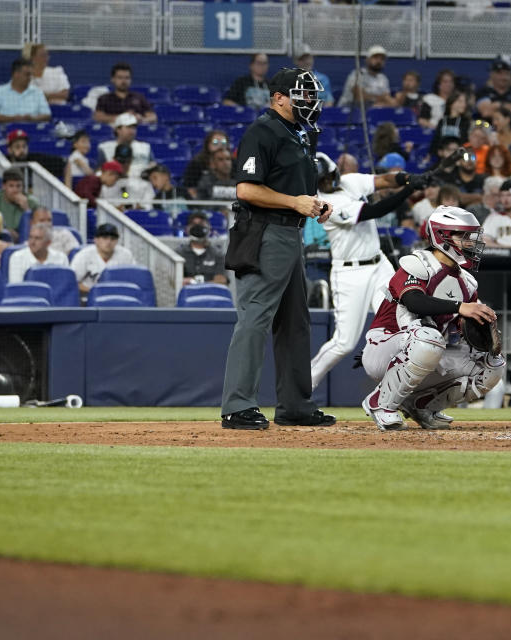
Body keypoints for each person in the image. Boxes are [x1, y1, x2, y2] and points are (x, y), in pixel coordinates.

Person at [220, 67, 335, 430]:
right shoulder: (263, 130)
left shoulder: (297, 134)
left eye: (311, 94)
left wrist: (314, 204)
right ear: (278, 98)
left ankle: (295, 406)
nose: (309, 101)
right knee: (255, 318)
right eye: (300, 94)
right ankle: (237, 405)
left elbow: (294, 193)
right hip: (265, 232)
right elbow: (246, 189)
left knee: (295, 323)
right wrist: (294, 203)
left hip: (291, 235)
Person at [360, 206, 504, 430]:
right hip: (385, 345)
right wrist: (461, 307)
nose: (470, 242)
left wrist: (483, 337)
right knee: (429, 338)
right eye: (463, 236)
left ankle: (421, 404)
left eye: (471, 236)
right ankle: (381, 403)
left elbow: (462, 328)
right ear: (441, 236)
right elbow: (414, 302)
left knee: (492, 365)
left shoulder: (467, 283)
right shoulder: (416, 264)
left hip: (426, 348)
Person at [309, 152, 423, 390]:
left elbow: (383, 180)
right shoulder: (324, 204)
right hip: (350, 274)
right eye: (321, 181)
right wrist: (409, 190)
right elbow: (375, 211)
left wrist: (407, 177)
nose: (326, 183)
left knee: (402, 322)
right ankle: (302, 388)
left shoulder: (348, 181)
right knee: (344, 343)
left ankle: (406, 393)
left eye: (328, 177)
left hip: (379, 266)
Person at [70, 223, 135, 295]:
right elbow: (72, 282)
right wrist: (95, 291)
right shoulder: (83, 255)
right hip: (88, 297)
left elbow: (134, 280)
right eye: (105, 238)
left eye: (112, 239)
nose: (109, 242)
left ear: (117, 241)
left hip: (119, 296)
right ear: (96, 240)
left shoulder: (126, 255)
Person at [0, 57, 51, 123]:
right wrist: (12, 119)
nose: (30, 78)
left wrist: (32, 118)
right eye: (27, 74)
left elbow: (47, 115)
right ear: (16, 74)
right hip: (6, 130)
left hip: (32, 130)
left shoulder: (37, 92)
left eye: (31, 75)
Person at [0, 169, 38, 241]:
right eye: (11, 186)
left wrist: (26, 209)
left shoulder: (32, 202)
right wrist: (6, 231)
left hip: (26, 240)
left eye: (18, 186)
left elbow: (39, 227)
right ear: (3, 186)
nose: (15, 190)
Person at [96, 112, 154, 179]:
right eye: (128, 127)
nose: (132, 131)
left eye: (134, 128)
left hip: (141, 185)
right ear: (118, 129)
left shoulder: (145, 147)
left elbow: (153, 165)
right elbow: (99, 171)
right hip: (115, 185)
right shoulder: (105, 148)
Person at [176, 213, 227, 286]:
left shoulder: (218, 253)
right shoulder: (178, 253)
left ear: (209, 227)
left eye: (201, 224)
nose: (197, 227)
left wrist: (194, 282)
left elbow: (221, 280)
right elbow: (176, 280)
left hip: (211, 295)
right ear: (187, 229)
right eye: (193, 224)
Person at [475, 55, 511, 120]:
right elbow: (486, 112)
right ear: (492, 74)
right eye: (499, 73)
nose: (503, 77)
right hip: (487, 127)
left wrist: (499, 105)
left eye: (506, 74)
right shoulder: (484, 92)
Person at [182, 130, 231, 198]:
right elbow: (190, 188)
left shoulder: (233, 162)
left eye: (223, 142)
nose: (220, 146)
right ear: (208, 144)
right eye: (215, 142)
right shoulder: (197, 163)